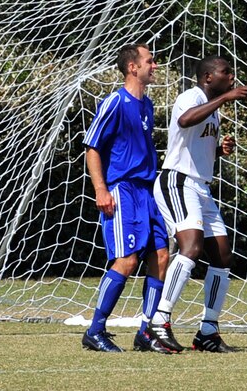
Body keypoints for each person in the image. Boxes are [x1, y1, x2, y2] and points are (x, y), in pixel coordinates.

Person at [145, 55, 247, 353]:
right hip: (178, 181)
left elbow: (192, 143)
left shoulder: (213, 108)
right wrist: (228, 97)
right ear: (208, 77)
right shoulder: (190, 96)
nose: (231, 77)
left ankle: (208, 331)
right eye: (226, 73)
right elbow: (184, 120)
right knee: (190, 247)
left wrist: (219, 149)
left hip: (201, 187)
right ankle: (160, 321)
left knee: (221, 256)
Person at [81, 43, 171, 353]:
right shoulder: (114, 102)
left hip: (147, 190)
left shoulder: (147, 105)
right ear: (133, 67)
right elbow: (92, 148)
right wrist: (101, 190)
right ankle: (95, 330)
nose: (154, 66)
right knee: (127, 259)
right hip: (122, 189)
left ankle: (146, 331)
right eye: (150, 61)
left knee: (161, 255)